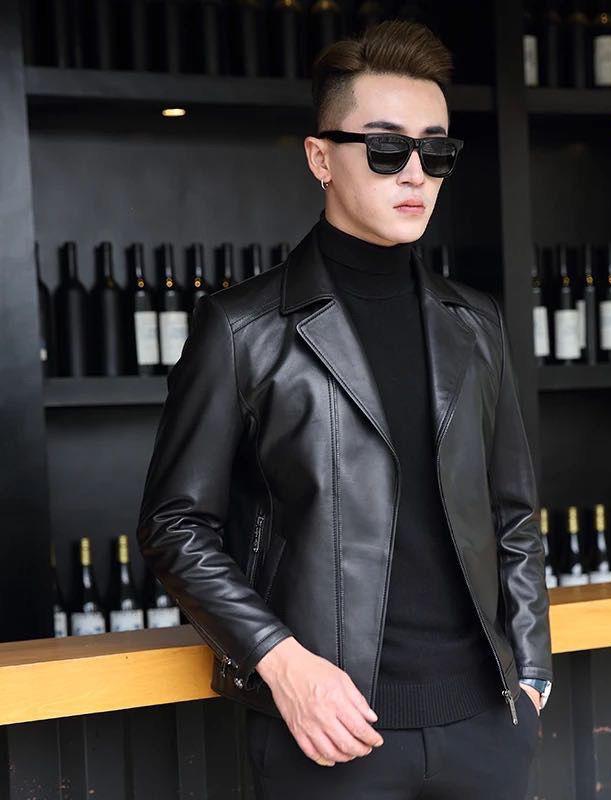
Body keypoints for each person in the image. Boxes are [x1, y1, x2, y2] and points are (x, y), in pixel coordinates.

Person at [137, 18, 552, 800]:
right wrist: (282, 662)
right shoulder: (243, 328)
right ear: (320, 157)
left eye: (437, 151)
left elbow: (512, 513)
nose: (416, 173)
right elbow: (175, 525)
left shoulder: (475, 322)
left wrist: (530, 672)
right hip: (329, 731)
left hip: (485, 728)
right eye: (387, 148)